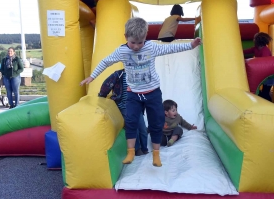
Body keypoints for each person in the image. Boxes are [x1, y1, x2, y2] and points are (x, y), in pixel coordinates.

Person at [80, 17, 202, 167]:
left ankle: (156, 154)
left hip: (153, 93)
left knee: (156, 122)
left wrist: (191, 45)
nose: (136, 46)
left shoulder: (151, 47)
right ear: (126, 37)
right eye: (133, 42)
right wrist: (92, 76)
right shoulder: (123, 51)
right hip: (134, 94)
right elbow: (106, 61)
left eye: (140, 42)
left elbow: (170, 48)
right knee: (131, 121)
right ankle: (131, 152)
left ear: (145, 38)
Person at [98, 69, 148, 156]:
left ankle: (144, 147)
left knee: (142, 128)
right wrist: (102, 95)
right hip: (124, 106)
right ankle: (137, 149)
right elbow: (107, 84)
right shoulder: (118, 75)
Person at [243, 32, 274, 101]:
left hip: (269, 73)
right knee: (258, 91)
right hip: (262, 72)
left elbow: (265, 62)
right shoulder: (255, 48)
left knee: (265, 93)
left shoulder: (265, 50)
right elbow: (245, 51)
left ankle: (270, 106)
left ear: (258, 41)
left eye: (254, 39)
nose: (253, 40)